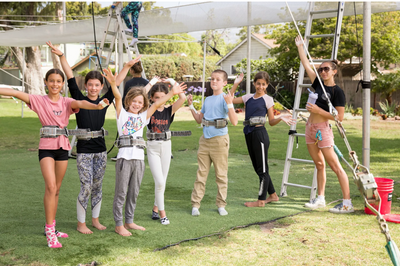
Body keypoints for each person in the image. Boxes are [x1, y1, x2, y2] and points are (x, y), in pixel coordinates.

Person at [0, 69, 109, 248]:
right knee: (50, 186)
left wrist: (97, 106)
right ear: (46, 82)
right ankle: (50, 232)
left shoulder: (67, 102)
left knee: (56, 189)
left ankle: (51, 225)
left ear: (62, 84)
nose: (55, 84)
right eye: (52, 81)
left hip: (63, 148)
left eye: (59, 81)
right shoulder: (38, 100)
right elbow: (14, 92)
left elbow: (81, 102)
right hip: (46, 149)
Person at [46, 41, 142, 234]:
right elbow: (71, 77)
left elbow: (115, 85)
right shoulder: (78, 100)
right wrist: (61, 56)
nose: (93, 88)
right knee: (86, 186)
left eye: (97, 85)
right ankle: (81, 223)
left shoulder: (104, 101)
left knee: (98, 186)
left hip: (100, 149)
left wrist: (126, 66)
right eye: (90, 85)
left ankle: (95, 220)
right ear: (86, 86)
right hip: (83, 150)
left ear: (100, 86)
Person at [104, 68, 186, 236]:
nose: (137, 104)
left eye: (140, 103)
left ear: (143, 105)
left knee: (134, 192)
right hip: (124, 159)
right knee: (121, 193)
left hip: (139, 160)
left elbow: (156, 104)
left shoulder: (143, 117)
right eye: (134, 101)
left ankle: (129, 221)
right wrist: (113, 84)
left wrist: (172, 92)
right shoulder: (122, 114)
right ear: (129, 102)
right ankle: (119, 225)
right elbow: (117, 97)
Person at [295, 35, 353, 213]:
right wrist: (300, 47)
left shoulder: (338, 92)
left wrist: (319, 111)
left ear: (334, 71)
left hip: (322, 130)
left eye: (326, 69)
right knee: (319, 165)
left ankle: (347, 203)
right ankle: (320, 198)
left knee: (335, 166)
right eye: (320, 70)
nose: (322, 72)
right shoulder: (317, 83)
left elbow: (339, 117)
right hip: (310, 128)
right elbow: (305, 63)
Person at [229, 72, 296, 207]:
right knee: (258, 167)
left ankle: (260, 201)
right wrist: (236, 83)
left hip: (260, 134)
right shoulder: (248, 97)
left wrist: (280, 117)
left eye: (263, 84)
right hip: (248, 133)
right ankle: (273, 195)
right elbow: (229, 99)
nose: (260, 86)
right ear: (254, 83)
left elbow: (271, 121)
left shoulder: (268, 99)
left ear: (266, 85)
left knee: (263, 169)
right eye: (258, 83)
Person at [188, 69, 238, 216]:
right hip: (204, 140)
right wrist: (191, 106)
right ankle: (195, 205)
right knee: (201, 173)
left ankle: (221, 205)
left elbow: (234, 121)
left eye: (217, 79)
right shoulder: (208, 100)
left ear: (224, 83)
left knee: (221, 175)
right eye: (212, 79)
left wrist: (229, 104)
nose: (214, 81)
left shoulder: (225, 98)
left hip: (220, 141)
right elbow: (199, 119)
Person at [147, 79, 186, 225]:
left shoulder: (170, 110)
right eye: (156, 97)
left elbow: (182, 98)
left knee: (163, 180)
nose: (160, 100)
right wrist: (152, 82)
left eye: (163, 96)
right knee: (160, 181)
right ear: (152, 98)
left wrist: (171, 81)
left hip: (166, 146)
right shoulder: (149, 109)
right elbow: (140, 94)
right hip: (152, 147)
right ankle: (163, 214)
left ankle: (156, 208)